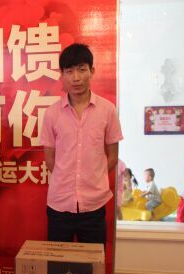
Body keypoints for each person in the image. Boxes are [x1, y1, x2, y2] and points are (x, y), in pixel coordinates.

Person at [40, 43, 123, 243]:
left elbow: (112, 157)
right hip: (60, 205)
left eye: (82, 69)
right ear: (61, 74)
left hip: (94, 205)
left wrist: (93, 176)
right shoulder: (52, 113)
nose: (76, 77)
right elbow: (50, 160)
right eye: (69, 71)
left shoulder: (107, 110)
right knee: (57, 261)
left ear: (92, 71)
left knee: (93, 261)